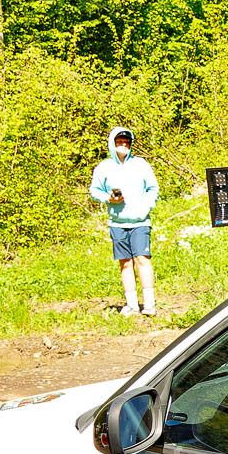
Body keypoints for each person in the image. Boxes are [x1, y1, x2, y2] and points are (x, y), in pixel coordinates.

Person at [88, 127, 160, 316]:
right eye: (119, 142)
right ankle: (132, 305)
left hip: (140, 221)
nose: (123, 145)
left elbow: (153, 188)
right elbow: (94, 190)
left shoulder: (141, 165)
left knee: (142, 259)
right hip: (117, 222)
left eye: (126, 142)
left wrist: (146, 206)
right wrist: (109, 198)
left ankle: (149, 304)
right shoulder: (104, 167)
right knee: (125, 263)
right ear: (112, 144)